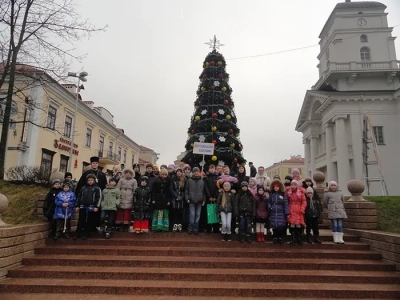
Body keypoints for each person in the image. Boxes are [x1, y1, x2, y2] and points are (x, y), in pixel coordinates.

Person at [75, 156, 107, 229]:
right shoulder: (86, 173)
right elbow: (80, 185)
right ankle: (84, 227)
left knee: (96, 212)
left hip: (97, 196)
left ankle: (94, 226)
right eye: (93, 163)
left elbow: (104, 185)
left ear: (98, 164)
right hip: (87, 196)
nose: (95, 164)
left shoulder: (102, 174)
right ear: (91, 164)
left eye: (96, 163)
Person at [74, 174, 101, 240]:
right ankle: (78, 233)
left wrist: (96, 206)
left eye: (92, 180)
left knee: (88, 220)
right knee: (80, 220)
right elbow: (79, 197)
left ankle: (86, 233)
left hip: (91, 206)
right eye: (89, 180)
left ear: (94, 180)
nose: (90, 181)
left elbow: (99, 198)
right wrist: (77, 205)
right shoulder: (83, 188)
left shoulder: (97, 188)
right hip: (82, 206)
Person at [185, 167, 206, 234]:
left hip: (199, 200)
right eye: (195, 171)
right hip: (191, 200)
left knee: (198, 215)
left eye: (197, 171)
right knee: (192, 214)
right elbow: (186, 190)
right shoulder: (189, 180)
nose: (196, 172)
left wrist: (204, 200)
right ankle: (190, 228)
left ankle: (196, 228)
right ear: (193, 172)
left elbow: (204, 192)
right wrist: (187, 198)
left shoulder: (202, 181)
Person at [268, 180, 289, 244]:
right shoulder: (272, 194)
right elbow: (269, 202)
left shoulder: (283, 194)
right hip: (273, 211)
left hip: (280, 211)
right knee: (274, 225)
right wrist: (270, 207)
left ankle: (280, 237)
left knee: (280, 225)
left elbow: (285, 203)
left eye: (277, 187)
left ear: (279, 187)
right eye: (274, 187)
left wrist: (287, 212)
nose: (276, 188)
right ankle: (275, 237)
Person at [286, 180, 306, 245]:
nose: (293, 186)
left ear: (297, 186)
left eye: (294, 185)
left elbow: (304, 202)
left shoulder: (301, 193)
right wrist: (288, 211)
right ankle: (293, 238)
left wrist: (302, 209)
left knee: (298, 224)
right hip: (291, 209)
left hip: (298, 210)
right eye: (292, 185)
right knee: (292, 224)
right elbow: (286, 202)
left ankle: (299, 238)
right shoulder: (288, 193)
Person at [203, 164, 220, 233]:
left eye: (213, 168)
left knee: (215, 212)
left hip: (215, 198)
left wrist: (215, 197)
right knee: (208, 213)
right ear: (208, 169)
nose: (212, 169)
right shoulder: (206, 177)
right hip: (208, 198)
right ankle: (208, 228)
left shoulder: (217, 178)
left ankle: (216, 228)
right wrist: (209, 197)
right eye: (210, 168)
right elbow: (205, 188)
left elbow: (218, 188)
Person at [170, 168, 186, 232]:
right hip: (175, 198)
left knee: (180, 213)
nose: (179, 173)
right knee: (175, 212)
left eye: (180, 172)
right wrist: (176, 196)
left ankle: (180, 225)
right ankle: (175, 224)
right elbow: (171, 189)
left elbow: (185, 190)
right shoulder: (173, 179)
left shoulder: (184, 179)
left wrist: (181, 197)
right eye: (178, 172)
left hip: (181, 199)